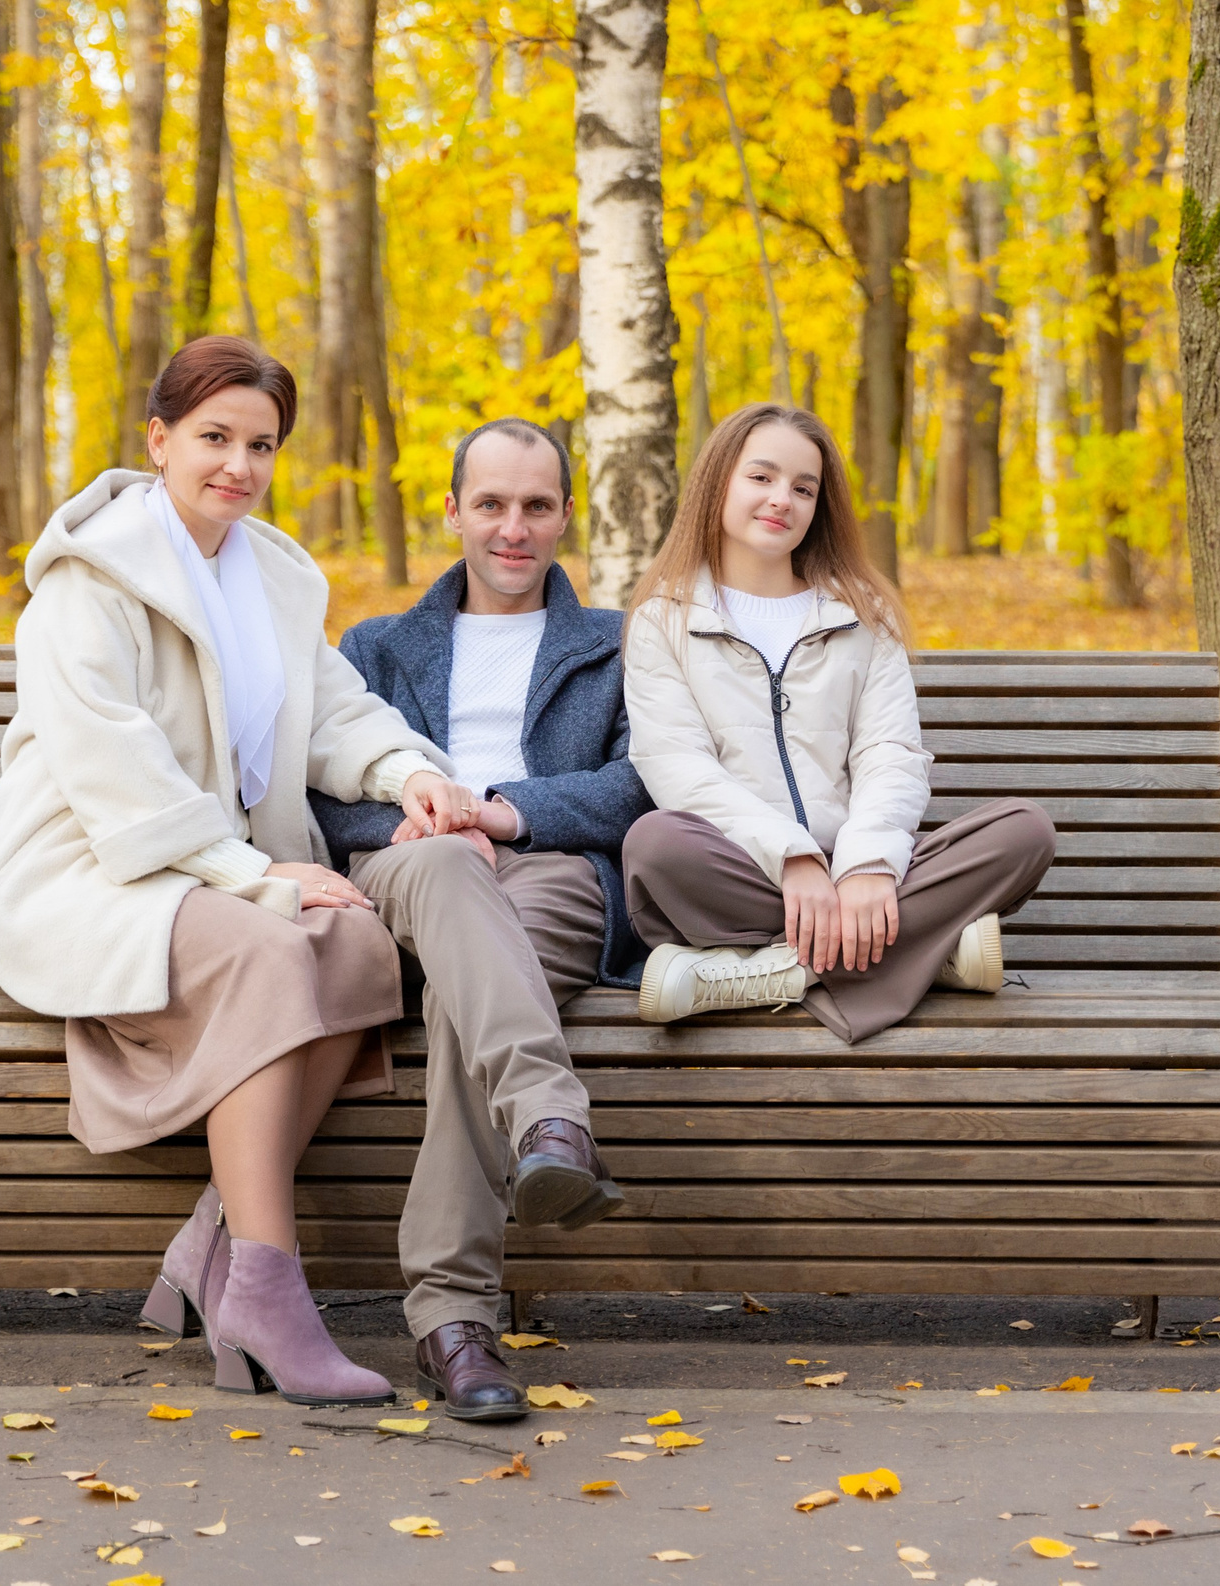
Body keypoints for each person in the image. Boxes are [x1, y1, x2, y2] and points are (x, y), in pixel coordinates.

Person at [0, 336, 478, 1408]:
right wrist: (261, 876)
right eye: (214, 437)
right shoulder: (89, 579)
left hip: (207, 868)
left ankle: (214, 1240)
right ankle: (268, 1286)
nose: (238, 465)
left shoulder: (273, 574)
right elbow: (117, 770)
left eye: (261, 444)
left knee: (355, 942)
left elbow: (333, 710)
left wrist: (406, 774)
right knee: (270, 946)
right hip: (94, 870)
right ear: (158, 440)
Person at [310, 417, 649, 1422]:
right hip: (406, 872)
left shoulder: (619, 644)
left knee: (473, 1001)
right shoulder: (375, 646)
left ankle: (450, 1318)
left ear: (563, 517)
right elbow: (325, 785)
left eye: (537, 505)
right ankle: (553, 1116)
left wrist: (505, 808)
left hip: (551, 868)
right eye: (492, 503)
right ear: (452, 510)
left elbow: (645, 782)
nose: (514, 527)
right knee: (454, 878)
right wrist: (421, 814)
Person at [617, 402, 1056, 1042]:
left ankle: (773, 973)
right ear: (718, 483)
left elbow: (890, 753)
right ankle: (928, 955)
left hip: (861, 872)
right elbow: (678, 769)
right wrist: (794, 860)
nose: (781, 500)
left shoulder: (860, 614)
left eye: (804, 488)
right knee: (655, 844)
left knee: (1025, 831)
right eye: (760, 478)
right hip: (748, 872)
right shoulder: (665, 620)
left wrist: (865, 866)